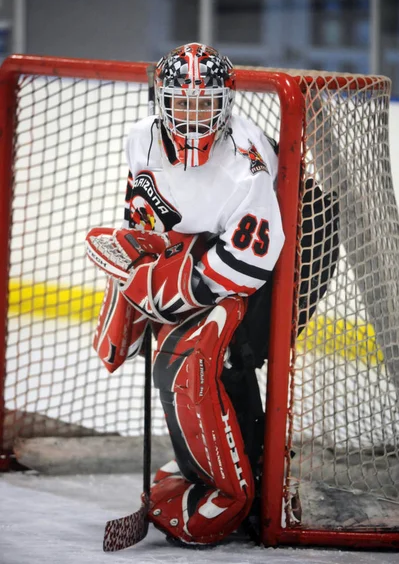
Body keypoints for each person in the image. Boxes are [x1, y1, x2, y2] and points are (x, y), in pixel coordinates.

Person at [86, 42, 285, 546]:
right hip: (199, 260)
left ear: (227, 102)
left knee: (201, 363)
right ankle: (221, 463)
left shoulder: (248, 162)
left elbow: (249, 262)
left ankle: (241, 491)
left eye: (206, 103)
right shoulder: (140, 141)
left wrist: (171, 290)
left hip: (276, 264)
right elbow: (148, 213)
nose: (194, 116)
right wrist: (142, 265)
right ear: (160, 101)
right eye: (183, 103)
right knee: (172, 364)